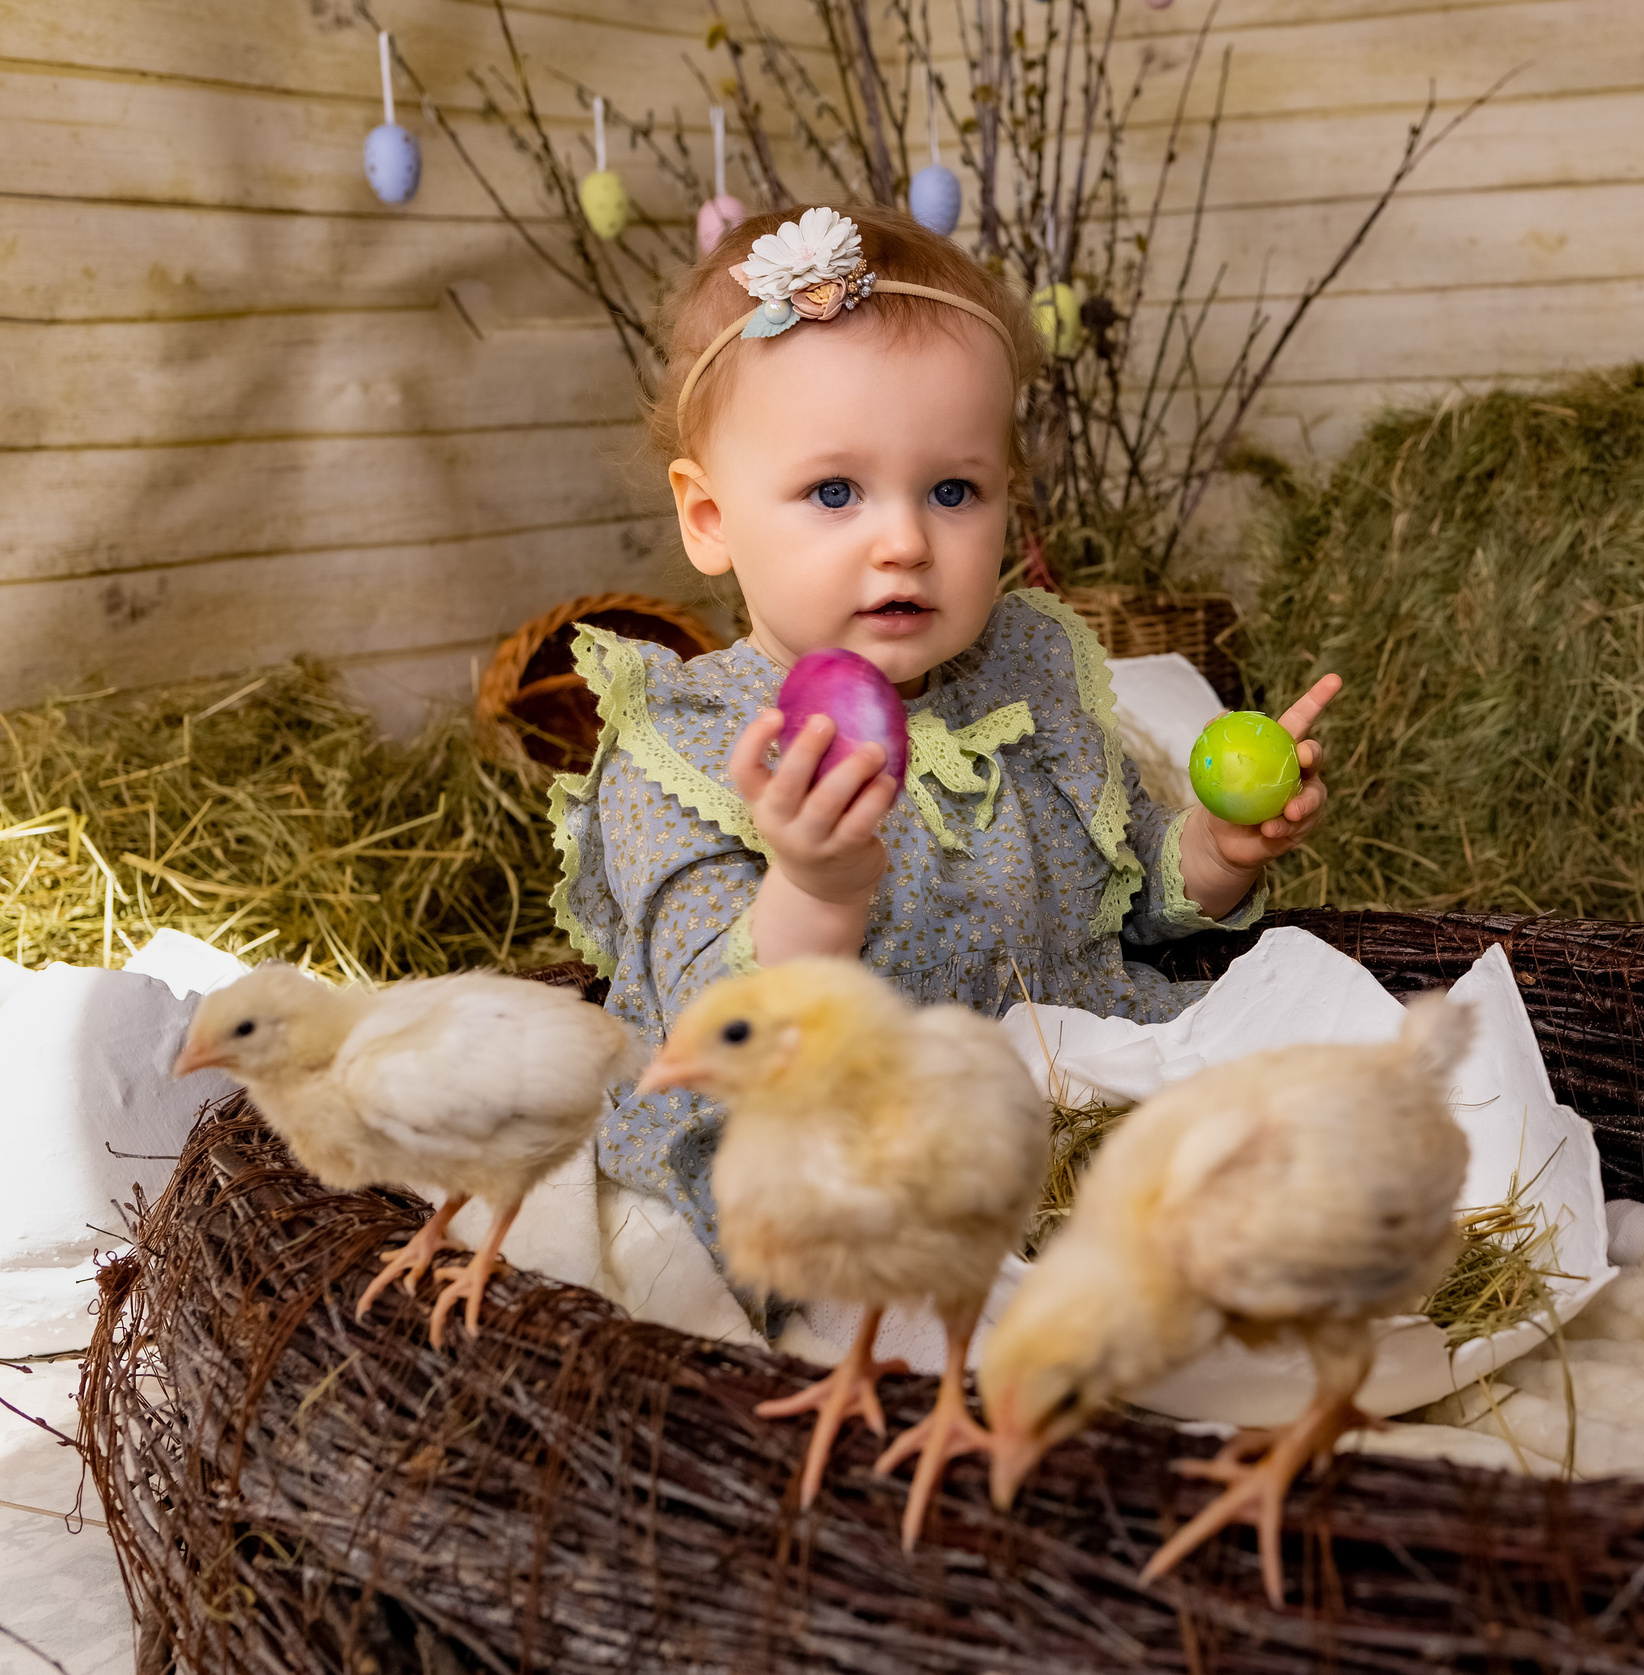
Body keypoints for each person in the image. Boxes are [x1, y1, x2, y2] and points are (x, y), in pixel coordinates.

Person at [548, 203, 1338, 1259]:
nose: (906, 541)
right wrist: (814, 888)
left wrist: (1212, 850)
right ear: (710, 520)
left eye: (953, 490)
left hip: (1067, 1119)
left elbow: (1127, 912)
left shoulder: (1021, 683)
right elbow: (716, 1024)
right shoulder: (687, 749)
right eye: (835, 492)